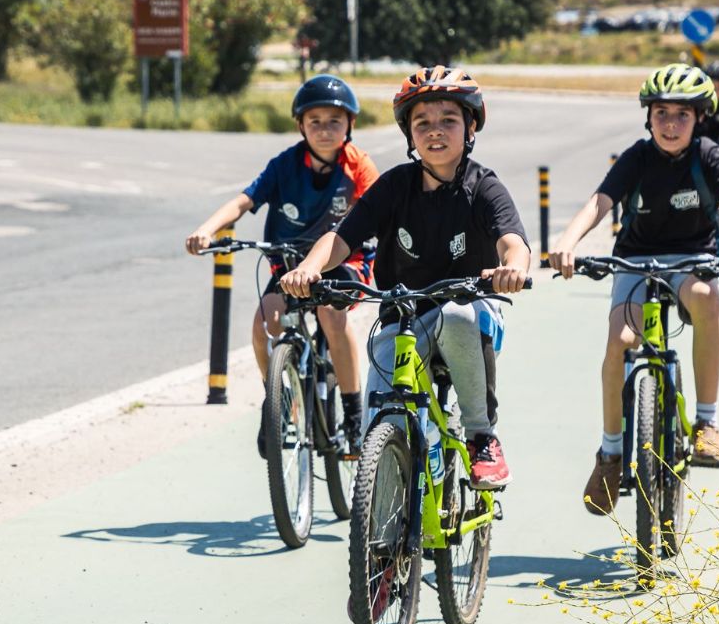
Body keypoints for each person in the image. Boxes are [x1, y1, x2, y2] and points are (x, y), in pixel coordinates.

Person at [280, 66, 531, 490]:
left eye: (448, 120)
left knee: (457, 316)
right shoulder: (395, 186)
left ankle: (480, 436)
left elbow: (513, 241)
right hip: (403, 319)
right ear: (409, 134)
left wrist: (513, 269)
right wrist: (309, 268)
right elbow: (340, 238)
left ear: (470, 127)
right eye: (423, 123)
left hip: (471, 315)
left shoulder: (483, 186)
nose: (435, 131)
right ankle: (389, 551)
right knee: (380, 430)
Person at [547, 64, 719, 514]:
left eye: (682, 115)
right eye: (661, 112)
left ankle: (707, 423)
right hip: (635, 260)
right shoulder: (637, 157)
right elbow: (599, 203)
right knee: (620, 341)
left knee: (707, 299)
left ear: (699, 118)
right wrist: (566, 242)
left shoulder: (709, 156)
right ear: (648, 117)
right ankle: (609, 453)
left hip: (692, 260)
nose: (669, 123)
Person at [185, 74, 378, 454]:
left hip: (344, 262)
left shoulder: (358, 165)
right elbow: (243, 201)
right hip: (290, 265)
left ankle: (354, 416)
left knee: (331, 314)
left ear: (350, 125)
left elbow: (383, 209)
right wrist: (206, 229)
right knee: (265, 323)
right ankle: (277, 401)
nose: (324, 130)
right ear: (300, 126)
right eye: (315, 122)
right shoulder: (284, 165)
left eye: (334, 121)